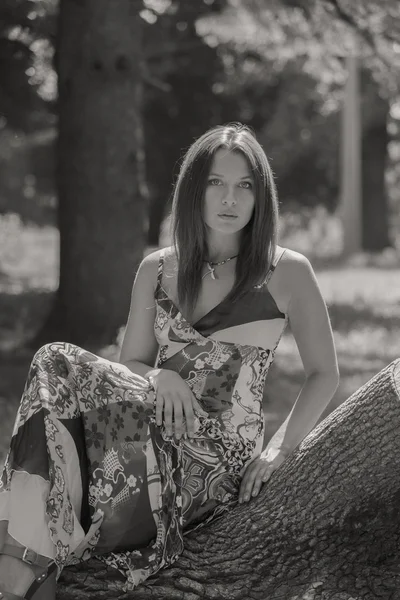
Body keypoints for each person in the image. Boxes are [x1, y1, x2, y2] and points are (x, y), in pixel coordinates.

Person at [0, 122, 340, 598]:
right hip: (146, 431)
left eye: (245, 186)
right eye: (216, 184)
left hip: (219, 460)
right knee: (54, 367)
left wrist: (280, 449)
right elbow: (129, 367)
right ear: (193, 192)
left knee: (59, 363)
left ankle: (25, 570)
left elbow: (325, 373)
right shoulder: (157, 269)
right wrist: (160, 375)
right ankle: (25, 565)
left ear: (261, 196)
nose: (230, 199)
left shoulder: (287, 272)